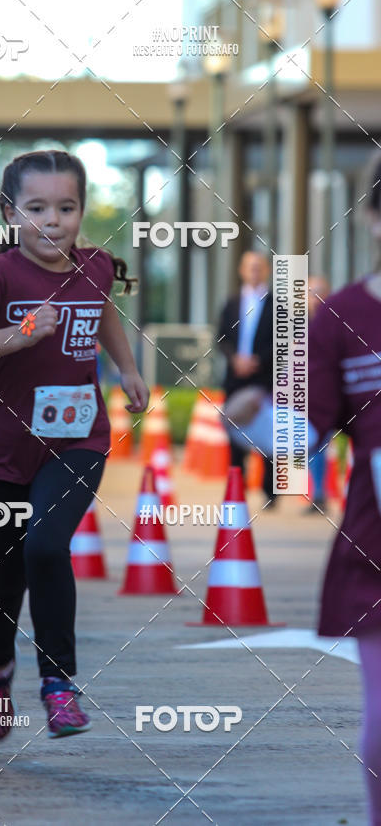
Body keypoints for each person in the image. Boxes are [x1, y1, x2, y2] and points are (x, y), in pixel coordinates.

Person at [0, 149, 149, 739]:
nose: (52, 220)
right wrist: (20, 334)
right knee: (7, 568)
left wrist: (128, 368)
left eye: (66, 207)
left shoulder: (98, 267)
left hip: (79, 438)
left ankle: (59, 684)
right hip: (9, 447)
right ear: (10, 212)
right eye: (36, 208)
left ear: (82, 210)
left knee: (46, 546)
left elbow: (102, 311)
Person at [309, 152, 381, 825]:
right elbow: (304, 430)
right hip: (373, 549)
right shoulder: (340, 317)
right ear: (371, 217)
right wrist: (252, 425)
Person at [217, 251, 275, 506]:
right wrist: (235, 359)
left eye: (259, 267)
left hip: (265, 377)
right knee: (234, 431)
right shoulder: (231, 303)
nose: (254, 271)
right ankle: (237, 487)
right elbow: (220, 337)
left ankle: (270, 491)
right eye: (250, 267)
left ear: (266, 271)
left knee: (267, 432)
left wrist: (257, 361)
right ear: (242, 270)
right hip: (235, 376)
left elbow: (282, 342)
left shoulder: (277, 305)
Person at [304, 275, 331, 514]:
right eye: (311, 292)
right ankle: (319, 493)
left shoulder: (337, 323)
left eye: (319, 292)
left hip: (331, 396)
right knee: (314, 445)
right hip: (309, 396)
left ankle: (321, 494)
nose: (315, 298)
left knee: (321, 444)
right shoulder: (297, 326)